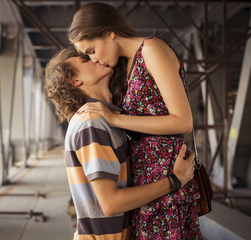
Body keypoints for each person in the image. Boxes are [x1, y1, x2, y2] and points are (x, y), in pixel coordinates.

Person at [67, 3, 201, 239]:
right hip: (146, 178)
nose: (94, 58)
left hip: (166, 171)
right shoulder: (127, 65)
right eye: (87, 56)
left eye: (91, 50)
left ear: (109, 33)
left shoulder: (151, 49)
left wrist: (117, 119)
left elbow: (183, 121)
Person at [44, 49, 195, 240]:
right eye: (85, 60)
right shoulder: (91, 123)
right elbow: (111, 203)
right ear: (74, 81)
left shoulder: (108, 120)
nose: (94, 58)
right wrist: (175, 180)